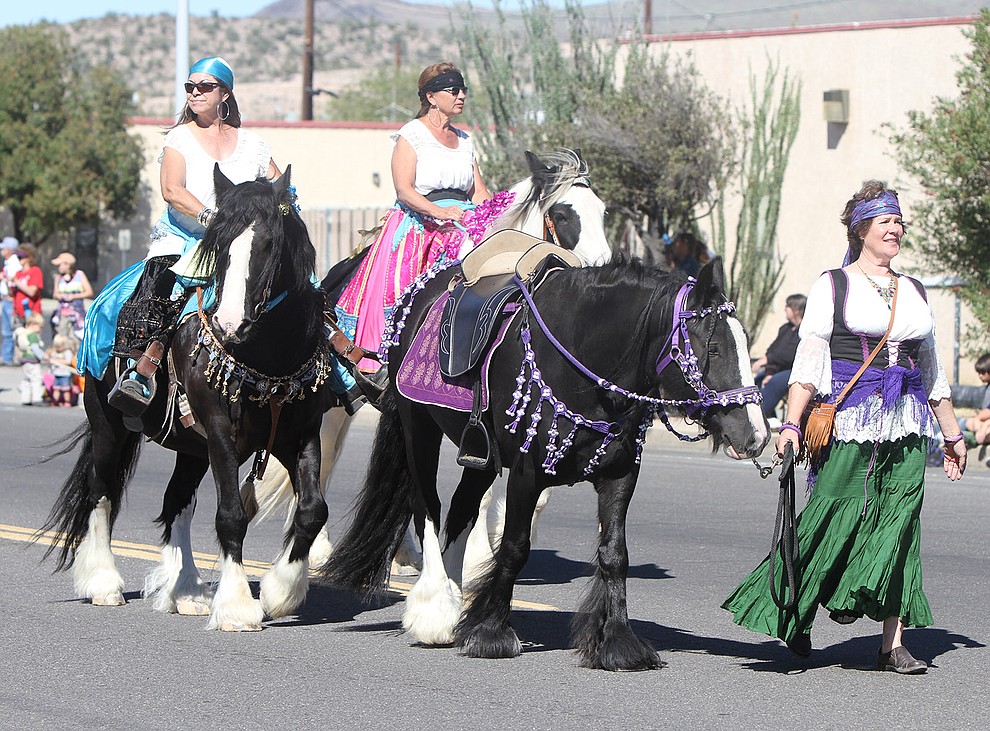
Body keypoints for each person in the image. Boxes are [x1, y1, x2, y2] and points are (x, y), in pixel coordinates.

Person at [723, 180, 967, 675]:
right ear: (861, 231)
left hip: (905, 422)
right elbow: (810, 360)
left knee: (899, 523)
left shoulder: (915, 291)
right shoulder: (834, 284)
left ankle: (892, 643)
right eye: (886, 222)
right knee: (831, 512)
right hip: (849, 418)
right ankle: (793, 609)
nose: (896, 229)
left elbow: (932, 368)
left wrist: (953, 434)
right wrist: (791, 426)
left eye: (899, 221)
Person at [78, 56, 281, 416]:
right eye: (190, 87)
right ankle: (142, 370)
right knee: (161, 295)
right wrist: (212, 218)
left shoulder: (253, 144)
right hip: (186, 240)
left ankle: (338, 363)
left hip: (240, 244)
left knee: (301, 287)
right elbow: (171, 190)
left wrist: (284, 209)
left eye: (205, 87)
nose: (195, 93)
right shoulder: (180, 138)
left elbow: (280, 188)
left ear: (225, 94)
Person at [335, 61, 492, 372]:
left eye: (463, 90)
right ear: (431, 96)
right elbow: (404, 190)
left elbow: (480, 193)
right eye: (454, 89)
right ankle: (390, 361)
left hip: (463, 221)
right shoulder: (412, 134)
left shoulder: (465, 140)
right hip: (421, 226)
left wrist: (500, 215)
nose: (461, 95)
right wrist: (440, 212)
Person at [751, 293, 806, 421]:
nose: (785, 309)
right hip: (779, 368)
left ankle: (759, 416)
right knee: (759, 379)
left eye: (787, 306)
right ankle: (769, 417)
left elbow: (790, 355)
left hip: (796, 370)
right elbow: (773, 349)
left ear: (796, 309)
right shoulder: (785, 329)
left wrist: (769, 360)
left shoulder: (805, 329)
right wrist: (770, 370)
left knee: (774, 382)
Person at [50, 251, 94, 344]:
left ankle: (75, 357)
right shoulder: (58, 277)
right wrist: (60, 296)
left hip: (77, 312)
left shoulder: (79, 275)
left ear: (68, 265)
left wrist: (73, 296)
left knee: (76, 338)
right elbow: (55, 294)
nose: (59, 267)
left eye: (61, 264)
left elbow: (89, 292)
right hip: (63, 313)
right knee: (62, 337)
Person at [15, 312, 46, 405]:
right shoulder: (32, 335)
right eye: (40, 327)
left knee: (26, 380)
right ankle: (37, 398)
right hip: (33, 361)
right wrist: (43, 356)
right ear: (33, 324)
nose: (40, 330)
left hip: (24, 360)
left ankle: (25, 398)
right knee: (36, 379)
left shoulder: (23, 333)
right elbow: (35, 348)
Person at [10, 243, 44, 329]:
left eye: (21, 257)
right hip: (18, 314)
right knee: (18, 340)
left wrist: (16, 281)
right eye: (18, 257)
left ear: (29, 257)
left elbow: (32, 292)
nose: (19, 259)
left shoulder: (35, 271)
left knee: (31, 340)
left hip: (32, 314)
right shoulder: (18, 273)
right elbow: (12, 294)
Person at [0, 237, 20, 365]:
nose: (1, 250)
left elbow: (13, 282)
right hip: (5, 299)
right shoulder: (8, 263)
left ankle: (7, 357)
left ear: (10, 250)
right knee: (6, 329)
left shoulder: (14, 264)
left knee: (8, 330)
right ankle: (6, 356)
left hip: (9, 300)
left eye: (3, 248)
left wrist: (5, 280)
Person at [46, 333, 78, 407]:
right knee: (56, 389)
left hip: (65, 374)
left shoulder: (67, 352)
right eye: (57, 346)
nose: (58, 348)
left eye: (60, 346)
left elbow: (68, 361)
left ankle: (67, 401)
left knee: (66, 389)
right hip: (57, 374)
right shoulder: (55, 353)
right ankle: (55, 401)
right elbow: (49, 357)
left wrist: (57, 361)